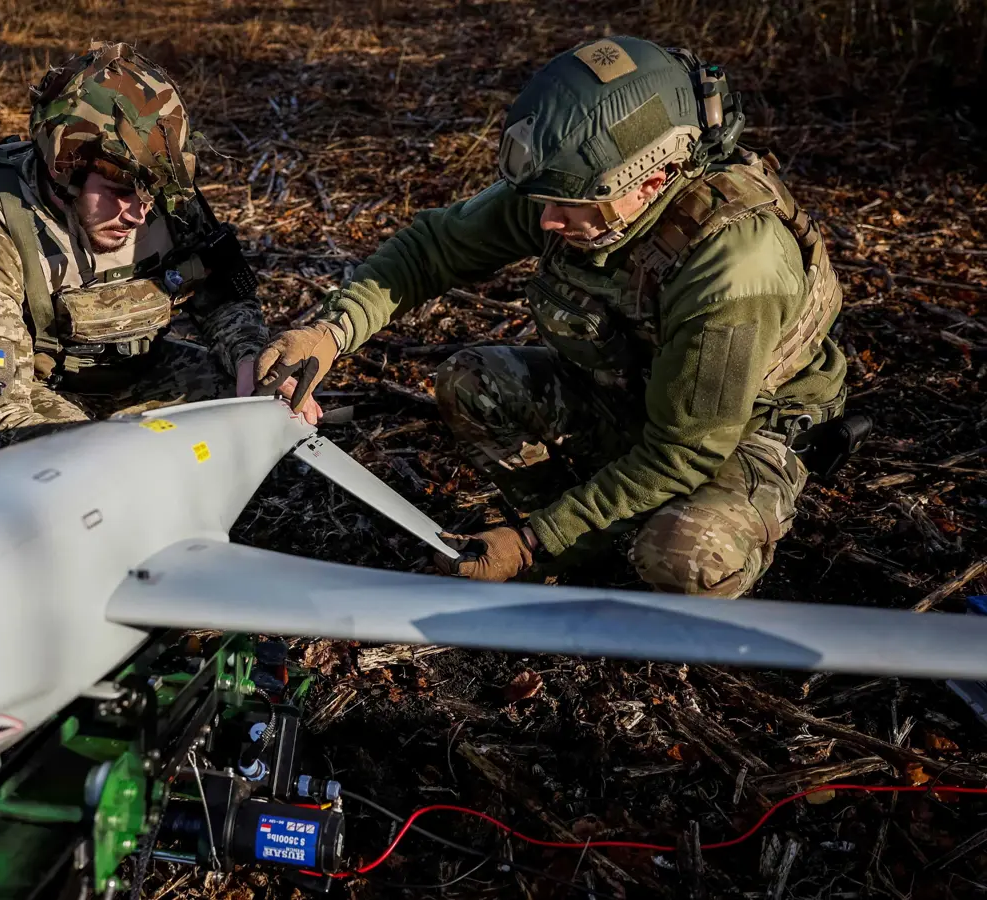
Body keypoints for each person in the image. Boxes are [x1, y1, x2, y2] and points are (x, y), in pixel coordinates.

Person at [254, 36, 848, 598]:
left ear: (651, 180)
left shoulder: (734, 267)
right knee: (473, 383)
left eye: (567, 206)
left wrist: (533, 545)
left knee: (686, 557)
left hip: (739, 435)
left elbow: (684, 452)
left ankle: (576, 537)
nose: (547, 223)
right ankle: (583, 537)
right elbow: (433, 249)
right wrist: (329, 333)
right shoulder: (579, 187)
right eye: (544, 201)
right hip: (636, 399)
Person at [0, 41, 307, 455]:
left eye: (151, 194)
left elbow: (222, 298)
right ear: (64, 168)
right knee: (74, 468)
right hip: (37, 392)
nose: (139, 214)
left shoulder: (163, 194)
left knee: (267, 415)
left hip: (144, 374)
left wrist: (249, 359)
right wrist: (108, 455)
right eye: (118, 192)